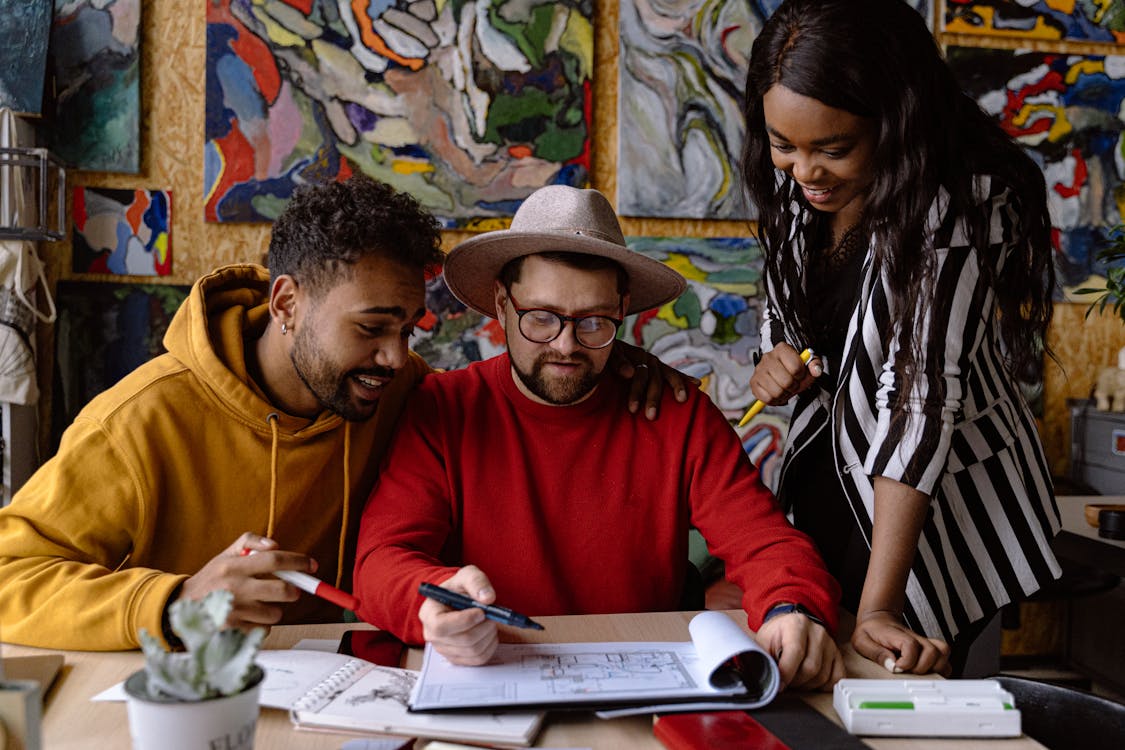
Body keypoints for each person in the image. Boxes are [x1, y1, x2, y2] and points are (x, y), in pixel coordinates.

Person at [353, 185, 845, 691]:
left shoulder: (677, 415)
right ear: (502, 303)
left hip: (644, 692)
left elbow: (763, 540)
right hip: (487, 680)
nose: (566, 345)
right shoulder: (442, 410)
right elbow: (380, 561)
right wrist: (432, 604)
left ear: (623, 308)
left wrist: (792, 605)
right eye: (540, 318)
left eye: (593, 322)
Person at [740, 0, 1061, 677]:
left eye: (833, 149)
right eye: (783, 145)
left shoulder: (962, 203)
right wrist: (775, 349)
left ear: (896, 119)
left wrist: (881, 604)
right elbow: (788, 300)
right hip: (829, 477)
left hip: (932, 506)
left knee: (896, 693)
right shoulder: (802, 187)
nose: (804, 172)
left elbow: (919, 401)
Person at [0, 175, 444, 650]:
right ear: (287, 304)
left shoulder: (403, 391)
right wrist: (176, 602)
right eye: (371, 327)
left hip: (329, 688)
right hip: (181, 692)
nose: (396, 357)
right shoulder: (138, 419)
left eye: (409, 331)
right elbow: (10, 577)